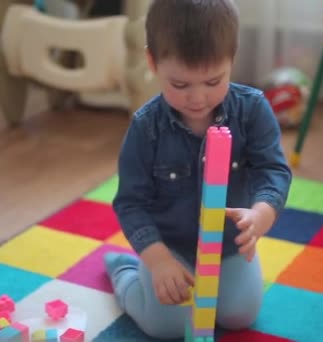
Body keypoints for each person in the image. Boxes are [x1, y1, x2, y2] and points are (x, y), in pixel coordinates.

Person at [104, 0, 292, 339]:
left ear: (232, 60)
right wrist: (158, 260)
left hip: (228, 245)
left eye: (212, 81)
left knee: (239, 316)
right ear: (152, 62)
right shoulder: (146, 128)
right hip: (170, 246)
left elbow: (273, 170)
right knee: (165, 327)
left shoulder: (252, 111)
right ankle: (126, 272)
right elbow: (130, 202)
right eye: (180, 84)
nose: (197, 98)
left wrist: (262, 213)